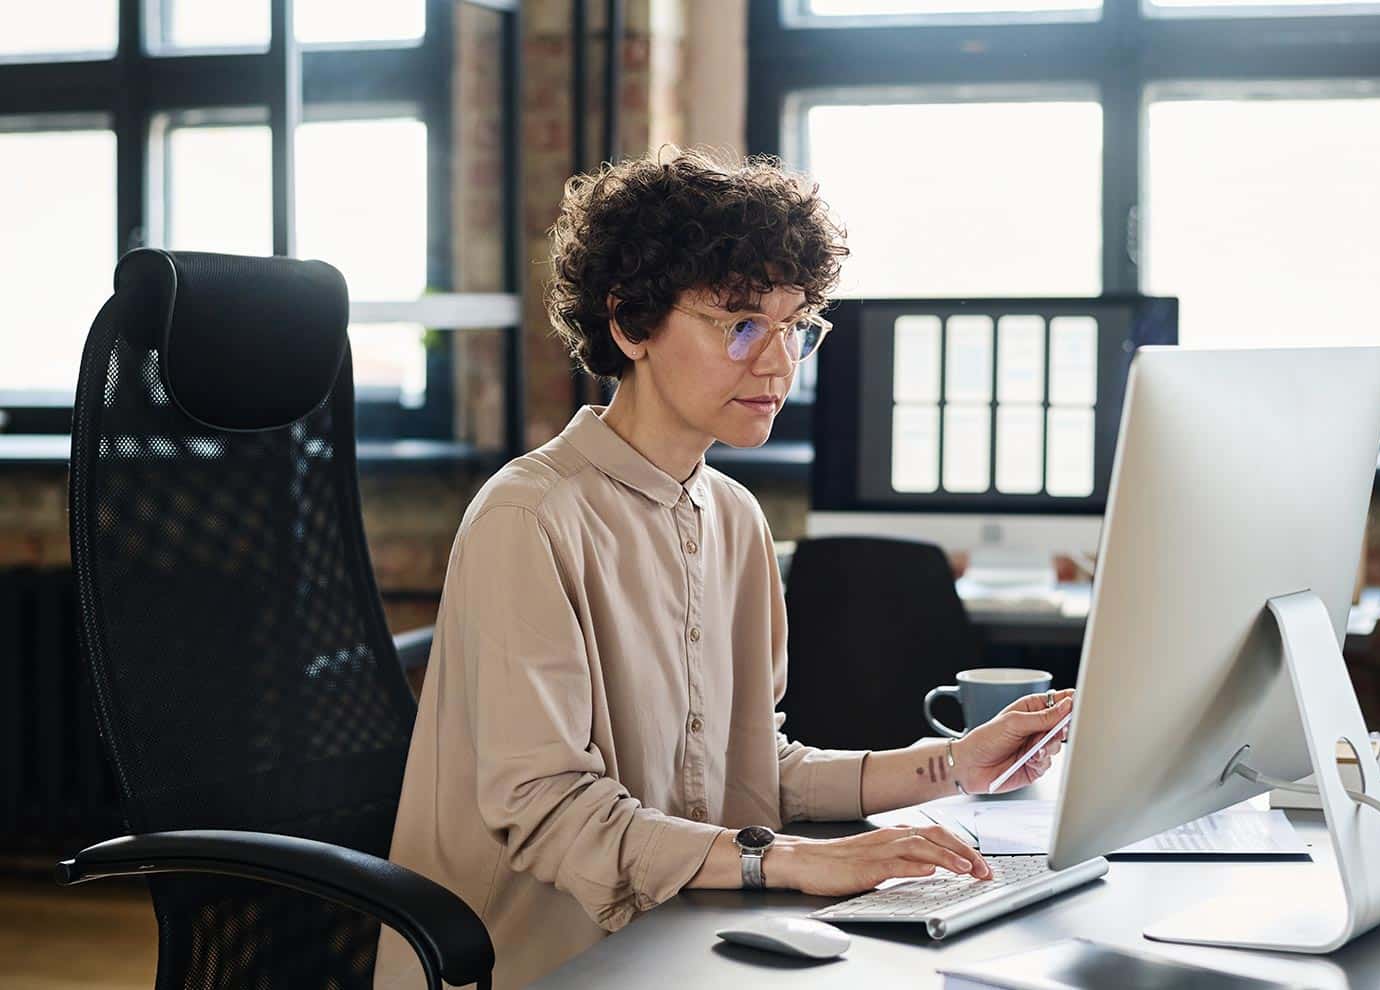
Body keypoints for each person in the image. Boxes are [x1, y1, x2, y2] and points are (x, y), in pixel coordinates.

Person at [373, 148, 1073, 988]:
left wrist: (952, 765)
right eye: (742, 324)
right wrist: (791, 863)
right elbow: (551, 813)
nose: (778, 365)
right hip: (540, 963)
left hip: (692, 937)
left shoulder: (733, 517)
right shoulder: (530, 518)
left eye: (796, 328)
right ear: (631, 323)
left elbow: (751, 768)